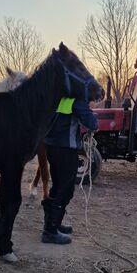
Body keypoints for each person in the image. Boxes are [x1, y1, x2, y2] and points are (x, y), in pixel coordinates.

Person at [41, 97, 98, 244]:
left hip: (52, 145)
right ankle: (50, 231)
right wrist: (92, 117)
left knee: (58, 186)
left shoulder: (60, 93)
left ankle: (53, 224)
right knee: (65, 190)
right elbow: (91, 122)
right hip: (66, 147)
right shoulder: (76, 97)